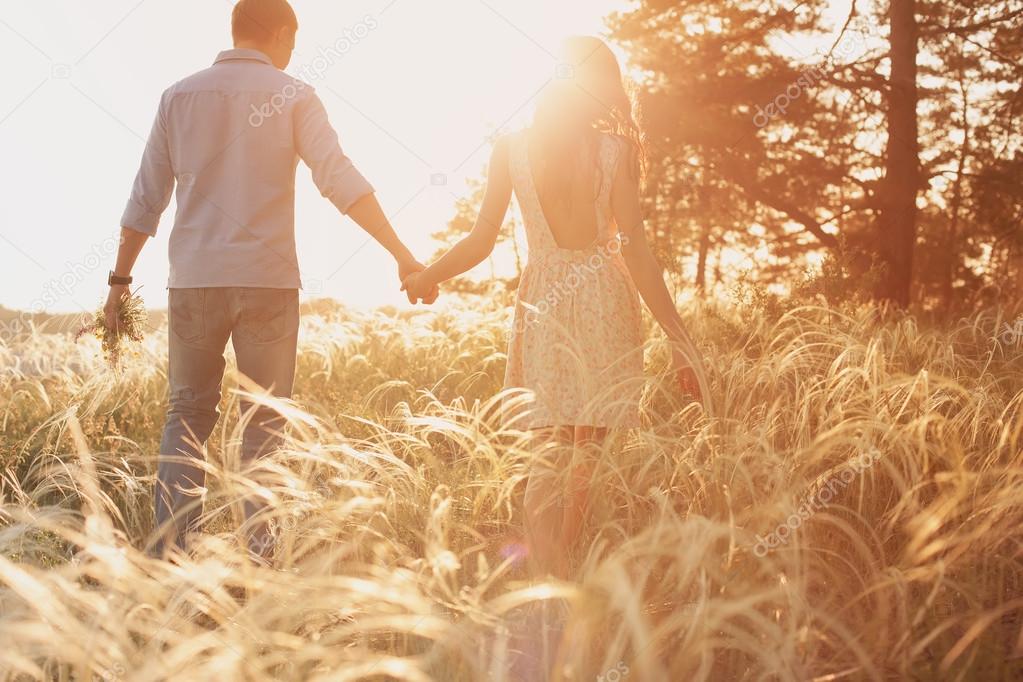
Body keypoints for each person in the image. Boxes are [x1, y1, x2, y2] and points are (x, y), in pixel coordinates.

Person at [104, 0, 436, 561]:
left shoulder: (178, 97)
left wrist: (119, 282)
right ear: (281, 34)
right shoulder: (293, 94)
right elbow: (339, 179)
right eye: (292, 44)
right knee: (264, 425)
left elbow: (146, 199)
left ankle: (168, 559)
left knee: (186, 415)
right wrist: (401, 254)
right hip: (267, 281)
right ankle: (262, 562)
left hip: (194, 281)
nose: (290, 56)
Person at [402, 36, 708, 577]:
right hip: (604, 300)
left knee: (548, 449)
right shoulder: (614, 151)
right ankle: (564, 567)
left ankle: (547, 571)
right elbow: (635, 250)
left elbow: (479, 239)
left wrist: (429, 275)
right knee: (586, 452)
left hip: (544, 300)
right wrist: (680, 340)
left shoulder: (512, 148)